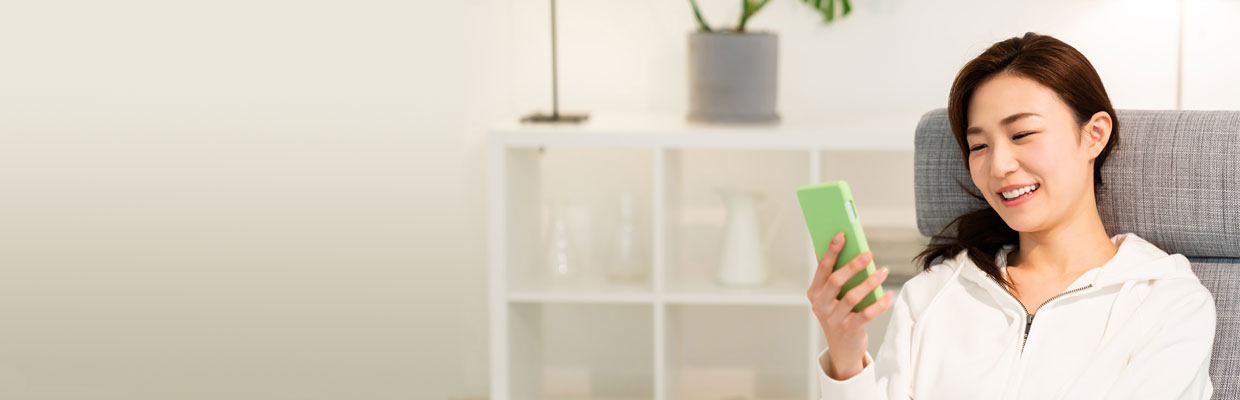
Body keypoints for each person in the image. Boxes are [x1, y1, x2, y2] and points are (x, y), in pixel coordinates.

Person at [806, 32, 1217, 399]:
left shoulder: (1168, 302)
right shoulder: (934, 294)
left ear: (1094, 135)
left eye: (1022, 135)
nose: (998, 165)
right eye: (979, 146)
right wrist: (846, 356)